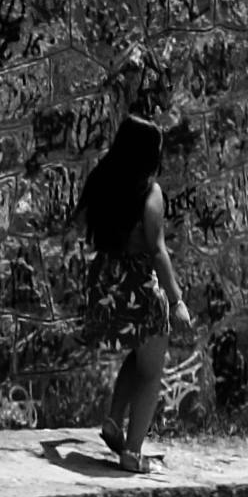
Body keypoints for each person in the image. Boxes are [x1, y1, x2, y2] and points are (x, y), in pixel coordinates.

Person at [77, 107, 188, 468]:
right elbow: (158, 250)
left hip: (107, 280)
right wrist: (177, 300)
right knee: (153, 370)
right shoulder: (149, 192)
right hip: (139, 286)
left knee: (139, 356)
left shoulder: (102, 181)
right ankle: (133, 452)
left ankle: (113, 418)